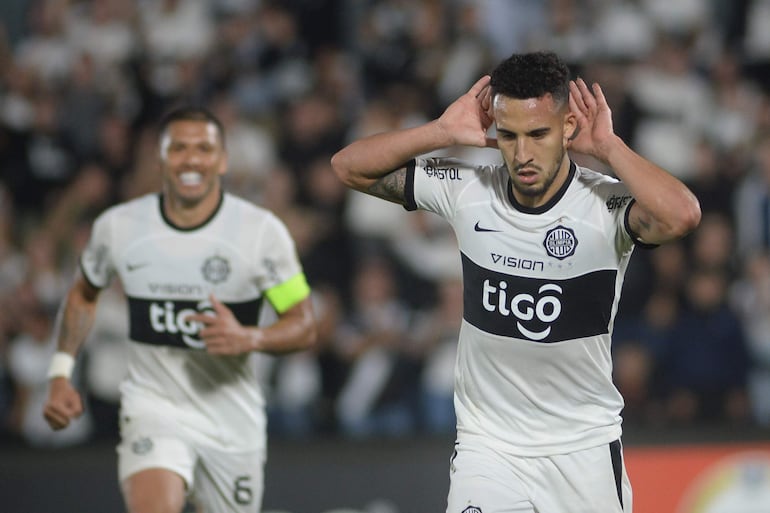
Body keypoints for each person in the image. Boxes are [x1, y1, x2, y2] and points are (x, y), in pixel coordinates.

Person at [331, 51, 701, 513]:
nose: (522, 153)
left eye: (538, 134)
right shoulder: (468, 188)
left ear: (568, 127)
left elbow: (682, 215)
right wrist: (440, 132)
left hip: (581, 449)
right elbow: (349, 167)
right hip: (490, 447)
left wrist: (609, 148)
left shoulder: (604, 205)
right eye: (508, 135)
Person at [43, 106, 317, 513]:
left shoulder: (261, 233)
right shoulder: (119, 228)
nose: (191, 159)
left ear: (223, 159)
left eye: (204, 148)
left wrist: (250, 337)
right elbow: (84, 293)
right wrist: (61, 372)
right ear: (160, 158)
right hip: (155, 410)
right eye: (179, 148)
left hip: (230, 419)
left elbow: (304, 324)